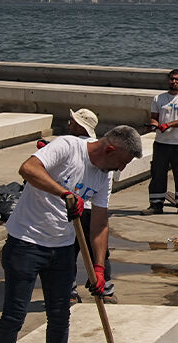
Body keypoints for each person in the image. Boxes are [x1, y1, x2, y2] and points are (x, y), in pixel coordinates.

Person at [0, 125, 142, 343]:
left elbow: (99, 223)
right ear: (110, 149)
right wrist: (65, 193)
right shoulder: (68, 147)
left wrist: (99, 269)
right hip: (26, 242)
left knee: (60, 315)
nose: (121, 168)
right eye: (122, 162)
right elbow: (28, 169)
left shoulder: (104, 176)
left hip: (62, 248)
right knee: (15, 314)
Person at [38, 109, 119, 305]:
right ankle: (98, 288)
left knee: (77, 248)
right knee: (83, 249)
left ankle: (78, 289)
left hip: (86, 206)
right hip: (74, 205)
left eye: (73, 122)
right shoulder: (69, 144)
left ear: (81, 126)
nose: (69, 124)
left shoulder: (81, 145)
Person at [145, 69, 178, 215]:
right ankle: (155, 205)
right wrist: (154, 125)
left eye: (177, 79)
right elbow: (153, 117)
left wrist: (168, 125)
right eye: (172, 79)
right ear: (168, 80)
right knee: (157, 174)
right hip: (161, 143)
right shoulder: (158, 98)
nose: (174, 82)